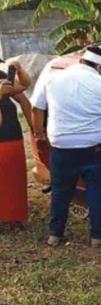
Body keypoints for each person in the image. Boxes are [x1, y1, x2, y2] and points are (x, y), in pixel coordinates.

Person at [30, 46, 101, 247]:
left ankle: (54, 235)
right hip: (95, 147)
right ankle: (97, 237)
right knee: (96, 192)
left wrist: (39, 132)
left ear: (82, 62)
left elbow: (36, 107)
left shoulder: (53, 79)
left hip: (61, 146)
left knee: (60, 191)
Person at [0, 62, 32, 231]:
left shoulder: (1, 77)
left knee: (15, 179)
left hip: (13, 137)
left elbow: (25, 86)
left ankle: (14, 217)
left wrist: (19, 70)